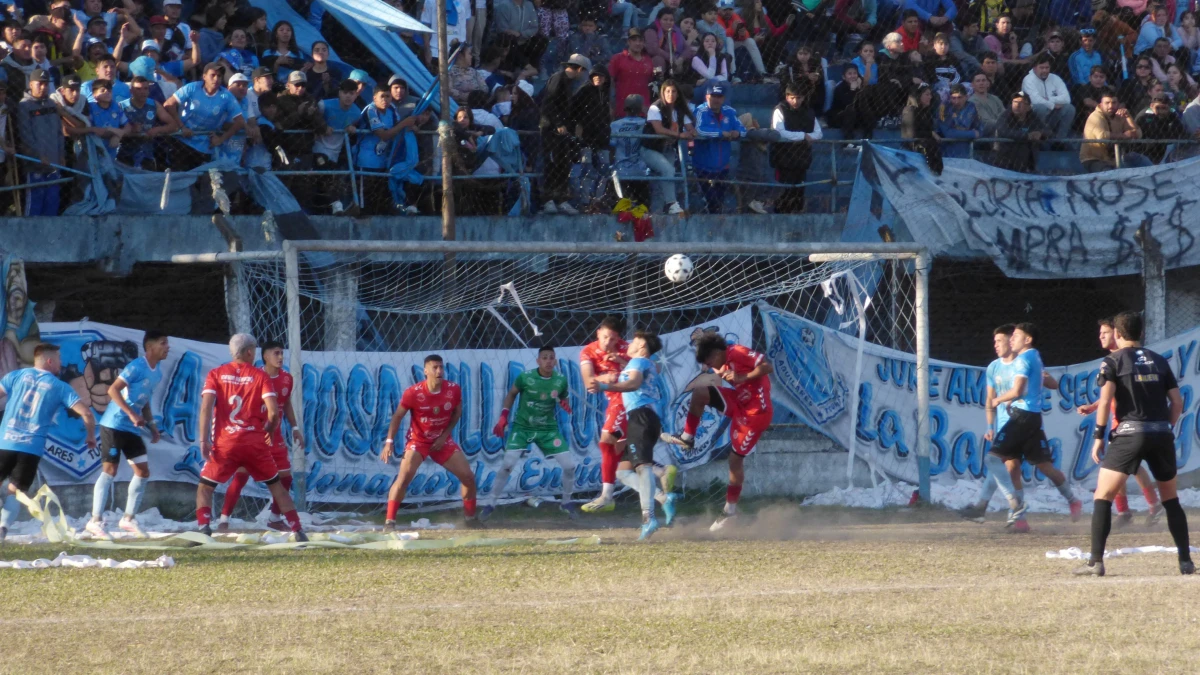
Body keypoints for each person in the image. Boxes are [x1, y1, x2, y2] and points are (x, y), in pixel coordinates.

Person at [1074, 311, 1193, 577]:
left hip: (1129, 433)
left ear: (1117, 333)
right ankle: (1185, 561)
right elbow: (1177, 402)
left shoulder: (1112, 361)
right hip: (1161, 434)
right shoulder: (1159, 360)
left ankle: (1096, 562)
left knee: (1102, 496)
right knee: (1171, 499)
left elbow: (1106, 401)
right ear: (1141, 333)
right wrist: (1166, 428)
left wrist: (1098, 437)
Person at [195, 334, 307, 541]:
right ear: (249, 352)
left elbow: (206, 408)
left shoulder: (216, 374)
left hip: (226, 443)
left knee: (205, 487)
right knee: (277, 486)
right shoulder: (260, 376)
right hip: (255, 443)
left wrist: (203, 440)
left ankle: (204, 527)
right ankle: (298, 529)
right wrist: (269, 431)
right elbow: (273, 413)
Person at [661, 334, 773, 532]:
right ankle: (687, 438)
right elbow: (715, 369)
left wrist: (743, 377)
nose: (709, 366)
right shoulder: (720, 362)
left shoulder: (737, 352)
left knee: (734, 460)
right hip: (739, 402)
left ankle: (730, 512)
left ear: (716, 353)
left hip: (755, 413)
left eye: (708, 361)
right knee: (700, 392)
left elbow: (767, 366)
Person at [986, 323, 1084, 530]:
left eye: (1003, 339)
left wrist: (1003, 398)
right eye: (998, 341)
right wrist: (990, 424)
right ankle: (1020, 518)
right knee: (1013, 467)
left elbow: (1048, 385)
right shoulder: (996, 366)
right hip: (1012, 421)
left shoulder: (1024, 360)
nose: (999, 344)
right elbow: (995, 397)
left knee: (1034, 464)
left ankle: (1068, 500)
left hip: (1022, 419)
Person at [0, 344, 96, 542]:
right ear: (50, 361)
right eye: (59, 359)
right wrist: (90, 436)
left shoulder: (16, 376)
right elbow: (86, 413)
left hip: (5, 442)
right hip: (31, 447)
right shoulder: (60, 387)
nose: (61, 363)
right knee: (16, 492)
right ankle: (2, 528)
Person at [1077, 317, 1163, 528]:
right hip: (1122, 423)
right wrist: (1094, 406)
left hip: (1128, 423)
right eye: (1100, 333)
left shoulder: (1122, 359)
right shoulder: (1115, 359)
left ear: (1117, 334)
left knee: (1123, 467)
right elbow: (1111, 394)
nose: (1101, 336)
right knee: (1126, 467)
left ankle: (1142, 508)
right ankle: (1135, 509)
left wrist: (1098, 434)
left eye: (1105, 332)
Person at [587, 331, 672, 540]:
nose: (630, 344)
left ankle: (648, 518)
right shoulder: (639, 363)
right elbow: (639, 377)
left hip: (640, 417)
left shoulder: (638, 362)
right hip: (642, 418)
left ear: (642, 347)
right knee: (624, 471)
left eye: (635, 341)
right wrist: (619, 364)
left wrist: (605, 385)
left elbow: (633, 383)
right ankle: (663, 498)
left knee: (643, 467)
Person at [83, 330, 167, 539]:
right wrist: (131, 414)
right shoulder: (136, 366)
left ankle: (128, 519)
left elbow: (144, 401)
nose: (167, 347)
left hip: (131, 428)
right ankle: (95, 521)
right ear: (150, 347)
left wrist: (152, 425)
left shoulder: (157, 372)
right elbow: (113, 390)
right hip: (114, 424)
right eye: (163, 343)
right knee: (110, 470)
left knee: (143, 471)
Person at [381, 355, 481, 530]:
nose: (439, 371)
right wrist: (389, 442)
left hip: (442, 441)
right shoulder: (413, 393)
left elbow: (457, 413)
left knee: (468, 477)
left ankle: (470, 519)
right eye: (435, 367)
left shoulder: (453, 389)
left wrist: (444, 436)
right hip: (418, 441)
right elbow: (397, 416)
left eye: (441, 367)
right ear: (425, 371)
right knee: (403, 478)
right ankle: (390, 522)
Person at [486, 346, 575, 520]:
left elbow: (563, 396)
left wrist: (564, 402)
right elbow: (511, 394)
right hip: (522, 427)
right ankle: (490, 503)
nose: (548, 361)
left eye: (551, 358)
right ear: (538, 361)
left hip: (547, 429)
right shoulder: (525, 377)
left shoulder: (561, 380)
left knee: (570, 466)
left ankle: (566, 503)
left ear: (555, 361)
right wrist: (503, 416)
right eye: (545, 358)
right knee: (507, 465)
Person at [579, 317, 629, 513]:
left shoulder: (626, 348)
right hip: (616, 401)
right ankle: (662, 488)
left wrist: (622, 363)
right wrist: (603, 378)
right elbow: (588, 381)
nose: (608, 342)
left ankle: (606, 497)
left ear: (619, 338)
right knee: (623, 456)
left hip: (626, 399)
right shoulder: (588, 352)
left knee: (606, 441)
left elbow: (649, 369)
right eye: (605, 337)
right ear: (598, 332)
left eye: (613, 339)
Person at [163, 63, 245, 170]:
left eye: (219, 76)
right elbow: (169, 104)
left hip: (205, 147)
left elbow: (240, 121)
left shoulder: (226, 96)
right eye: (213, 75)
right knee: (176, 175)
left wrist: (221, 139)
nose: (216, 79)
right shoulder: (192, 87)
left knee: (200, 178)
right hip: (182, 141)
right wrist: (181, 126)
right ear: (204, 76)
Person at [539, 53, 589, 215]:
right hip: (550, 130)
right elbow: (548, 103)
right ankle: (548, 200)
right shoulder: (558, 78)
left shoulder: (568, 82)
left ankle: (560, 199)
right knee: (551, 163)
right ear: (579, 69)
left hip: (561, 132)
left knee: (563, 164)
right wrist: (558, 123)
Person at [16, 69, 64, 217]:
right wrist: (38, 156)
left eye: (46, 84)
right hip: (35, 164)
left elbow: (59, 132)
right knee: (35, 202)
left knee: (52, 200)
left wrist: (61, 154)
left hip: (54, 163)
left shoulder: (52, 104)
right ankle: (30, 231)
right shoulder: (24, 106)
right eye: (39, 84)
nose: (43, 87)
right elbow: (26, 136)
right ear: (31, 84)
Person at [692, 83, 745, 214]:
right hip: (703, 167)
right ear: (707, 97)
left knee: (719, 202)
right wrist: (721, 133)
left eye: (719, 96)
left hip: (723, 167)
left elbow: (743, 130)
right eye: (713, 96)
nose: (716, 99)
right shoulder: (700, 111)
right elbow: (699, 130)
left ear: (723, 98)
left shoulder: (729, 112)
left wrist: (737, 133)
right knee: (712, 202)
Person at [643, 80, 693, 215]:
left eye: (674, 91)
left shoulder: (680, 110)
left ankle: (659, 211)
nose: (671, 94)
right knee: (668, 170)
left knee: (664, 179)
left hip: (668, 149)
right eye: (668, 91)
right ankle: (672, 204)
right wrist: (679, 135)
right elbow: (659, 129)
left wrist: (692, 132)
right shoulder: (655, 108)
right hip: (650, 149)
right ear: (663, 93)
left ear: (678, 94)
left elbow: (690, 127)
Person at [770, 81, 821, 213]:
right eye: (792, 98)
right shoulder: (780, 110)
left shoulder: (808, 111)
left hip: (802, 159)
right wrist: (802, 136)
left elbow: (818, 133)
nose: (795, 101)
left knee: (799, 193)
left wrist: (807, 137)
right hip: (783, 159)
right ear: (787, 97)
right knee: (784, 192)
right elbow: (779, 132)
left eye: (798, 98)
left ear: (803, 98)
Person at [1081, 88, 1149, 172]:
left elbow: (1139, 134)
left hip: (1114, 159)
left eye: (1114, 102)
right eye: (1107, 103)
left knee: (1138, 158)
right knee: (1107, 171)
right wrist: (1124, 136)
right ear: (1101, 104)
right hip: (1093, 159)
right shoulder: (1095, 116)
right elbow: (1102, 136)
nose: (1111, 106)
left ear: (1118, 104)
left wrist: (1128, 117)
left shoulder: (1120, 115)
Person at [1021, 54, 1075, 140]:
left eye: (1047, 68)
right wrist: (1052, 105)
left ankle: (1060, 140)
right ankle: (1041, 136)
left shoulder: (1055, 78)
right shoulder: (1028, 79)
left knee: (1070, 108)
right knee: (1040, 107)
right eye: (1041, 68)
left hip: (1053, 114)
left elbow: (1067, 99)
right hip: (1034, 115)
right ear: (1034, 68)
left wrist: (1049, 99)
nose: (1045, 70)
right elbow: (1035, 100)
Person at [993, 91, 1045, 173]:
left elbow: (1047, 130)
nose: (1017, 105)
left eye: (1021, 103)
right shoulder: (1005, 116)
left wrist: (1040, 133)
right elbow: (1003, 131)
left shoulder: (1032, 116)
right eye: (1015, 102)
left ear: (1028, 107)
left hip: (1029, 159)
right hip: (1007, 157)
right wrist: (1026, 136)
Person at [609, 28, 655, 119]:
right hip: (622, 110)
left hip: (643, 111)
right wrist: (611, 104)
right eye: (634, 40)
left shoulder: (648, 61)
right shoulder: (617, 59)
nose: (638, 43)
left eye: (640, 40)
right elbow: (610, 82)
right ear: (628, 42)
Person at [1134, 92, 1188, 162]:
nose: (1161, 111)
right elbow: (1154, 135)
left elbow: (1180, 131)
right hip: (1144, 152)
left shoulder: (1172, 114)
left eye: (1164, 108)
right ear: (1151, 106)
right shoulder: (1144, 116)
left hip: (1164, 151)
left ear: (1169, 107)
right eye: (1158, 108)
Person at [903, 83, 942, 173]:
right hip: (912, 146)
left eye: (930, 94)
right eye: (927, 94)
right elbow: (910, 133)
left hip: (926, 145)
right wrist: (931, 133)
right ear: (919, 96)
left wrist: (930, 133)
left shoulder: (926, 112)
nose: (930, 97)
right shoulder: (909, 110)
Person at [646, 9, 695, 79]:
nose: (668, 22)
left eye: (671, 20)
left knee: (693, 57)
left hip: (674, 60)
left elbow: (687, 48)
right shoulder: (652, 30)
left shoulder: (676, 31)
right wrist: (671, 58)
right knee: (658, 60)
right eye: (665, 20)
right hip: (655, 61)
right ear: (659, 20)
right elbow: (653, 49)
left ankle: (685, 81)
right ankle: (657, 80)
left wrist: (681, 59)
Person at [936, 83, 981, 159]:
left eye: (960, 97)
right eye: (953, 98)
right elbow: (948, 134)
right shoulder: (943, 109)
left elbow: (980, 129)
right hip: (947, 153)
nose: (956, 101)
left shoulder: (971, 107)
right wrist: (972, 133)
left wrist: (958, 131)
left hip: (967, 151)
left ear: (966, 97)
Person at [1073, 66, 1110, 132]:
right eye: (1095, 76)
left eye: (1101, 77)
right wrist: (1104, 108)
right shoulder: (1084, 88)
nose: (1098, 79)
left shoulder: (1107, 90)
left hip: (1105, 115)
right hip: (1085, 119)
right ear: (1090, 78)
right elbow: (1087, 102)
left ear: (1105, 78)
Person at [969, 71, 1005, 136]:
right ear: (972, 85)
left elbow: (1004, 114)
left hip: (1000, 126)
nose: (981, 83)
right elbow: (985, 120)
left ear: (988, 83)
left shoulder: (995, 98)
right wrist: (1003, 123)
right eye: (978, 81)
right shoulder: (971, 101)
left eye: (983, 80)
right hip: (983, 129)